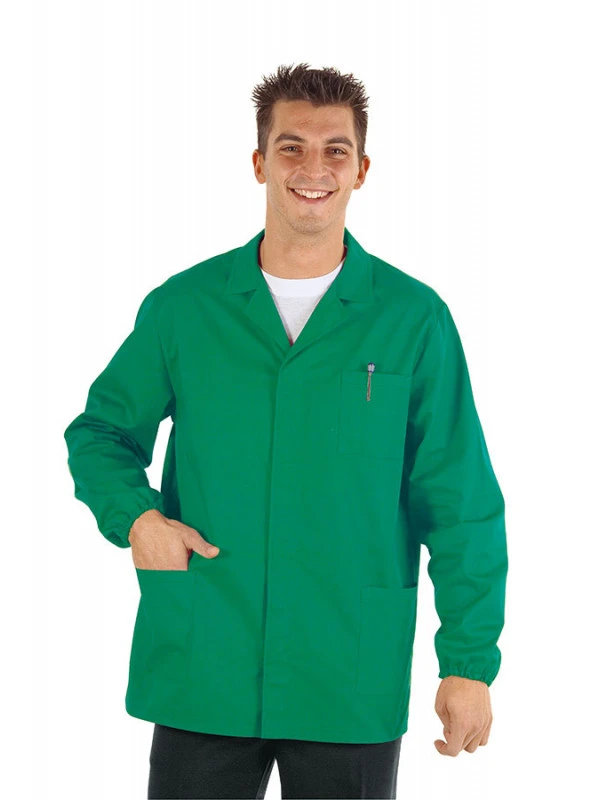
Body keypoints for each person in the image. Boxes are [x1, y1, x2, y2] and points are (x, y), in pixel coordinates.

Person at [63, 62, 508, 800]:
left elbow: (460, 502)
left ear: (362, 170)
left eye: (336, 150)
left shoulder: (412, 318)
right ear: (259, 161)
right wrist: (138, 518)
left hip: (347, 670)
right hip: (207, 659)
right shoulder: (186, 308)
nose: (313, 168)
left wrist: (468, 664)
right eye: (291, 146)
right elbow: (101, 431)